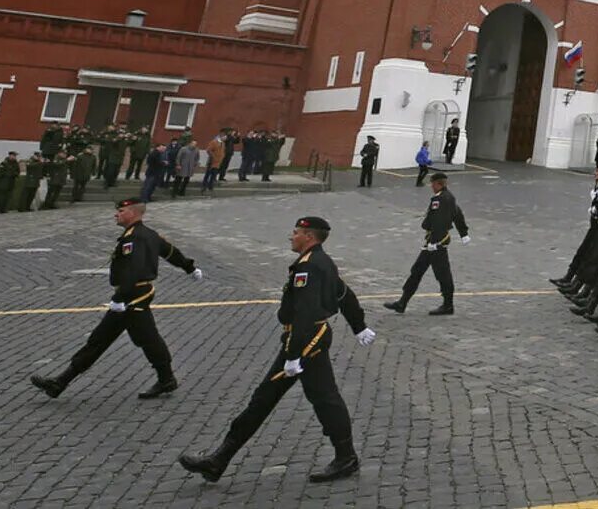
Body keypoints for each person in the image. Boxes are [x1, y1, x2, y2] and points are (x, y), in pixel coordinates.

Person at [179, 215, 374, 483]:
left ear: (309, 236)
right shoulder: (319, 262)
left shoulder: (310, 268)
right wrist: (358, 325)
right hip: (305, 340)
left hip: (307, 343)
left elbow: (305, 313)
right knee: (279, 398)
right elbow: (344, 294)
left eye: (296, 232)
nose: (291, 236)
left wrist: (293, 356)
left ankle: (346, 457)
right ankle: (219, 460)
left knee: (318, 399)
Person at [31, 197, 205, 399]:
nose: (116, 214)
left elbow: (134, 269)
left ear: (132, 213)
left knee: (144, 339)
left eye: (121, 212)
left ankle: (166, 379)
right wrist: (189, 268)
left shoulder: (134, 238)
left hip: (133, 297)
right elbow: (171, 253)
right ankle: (60, 383)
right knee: (105, 339)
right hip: (132, 296)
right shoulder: (148, 234)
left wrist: (121, 298)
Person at [386, 172, 469, 316]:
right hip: (432, 243)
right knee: (417, 271)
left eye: (433, 184)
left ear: (438, 184)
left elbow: (439, 222)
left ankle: (448, 305)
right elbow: (457, 214)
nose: (431, 186)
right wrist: (464, 233)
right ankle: (402, 303)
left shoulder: (441, 200)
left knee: (443, 275)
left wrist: (435, 242)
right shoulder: (448, 197)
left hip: (437, 245)